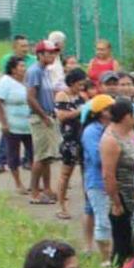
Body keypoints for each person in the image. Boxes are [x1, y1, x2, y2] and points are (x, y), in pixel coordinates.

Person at [100, 98, 134, 267]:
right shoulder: (111, 140)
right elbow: (108, 175)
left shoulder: (132, 133)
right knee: (122, 244)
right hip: (123, 198)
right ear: (127, 116)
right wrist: (116, 202)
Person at [82, 94, 117, 266]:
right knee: (102, 220)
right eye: (108, 108)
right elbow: (97, 158)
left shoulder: (113, 128)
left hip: (112, 181)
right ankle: (105, 259)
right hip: (97, 181)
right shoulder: (91, 131)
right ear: (100, 112)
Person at [0, 35, 36, 174]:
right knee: (8, 135)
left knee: (28, 139)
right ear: (15, 47)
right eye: (22, 46)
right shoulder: (7, 60)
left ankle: (27, 161)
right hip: (13, 109)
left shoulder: (33, 60)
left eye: (27, 46)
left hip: (26, 109)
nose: (25, 49)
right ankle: (1, 161)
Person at [25, 40, 61, 205]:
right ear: (39, 54)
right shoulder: (35, 72)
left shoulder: (45, 71)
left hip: (48, 115)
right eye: (49, 53)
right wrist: (44, 116)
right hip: (40, 118)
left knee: (48, 156)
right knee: (40, 156)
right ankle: (34, 193)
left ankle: (47, 188)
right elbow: (31, 97)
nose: (52, 55)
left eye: (54, 52)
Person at [0, 55, 33, 194]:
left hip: (29, 126)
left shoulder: (28, 81)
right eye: (21, 66)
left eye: (24, 66)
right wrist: (3, 123)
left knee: (34, 154)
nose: (24, 68)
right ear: (13, 69)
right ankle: (18, 183)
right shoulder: (5, 82)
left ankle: (35, 183)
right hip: (13, 126)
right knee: (13, 155)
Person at [54, 68, 88, 221]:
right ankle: (61, 205)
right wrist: (80, 111)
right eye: (79, 84)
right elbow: (61, 116)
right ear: (72, 82)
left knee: (84, 174)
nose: (81, 87)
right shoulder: (63, 95)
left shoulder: (80, 96)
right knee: (65, 174)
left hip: (81, 138)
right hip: (69, 140)